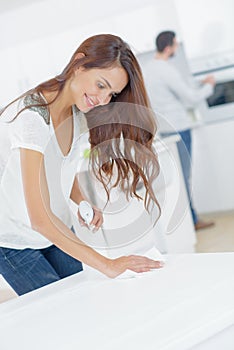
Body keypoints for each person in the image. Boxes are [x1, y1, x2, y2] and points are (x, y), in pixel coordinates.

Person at [0, 34, 163, 296]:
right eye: (101, 85)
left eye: (111, 93)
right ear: (79, 63)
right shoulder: (32, 118)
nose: (103, 99)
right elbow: (39, 220)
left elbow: (60, 164)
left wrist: (82, 200)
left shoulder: (78, 113)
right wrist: (109, 265)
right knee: (59, 311)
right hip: (14, 241)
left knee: (83, 300)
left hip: (56, 230)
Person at [142, 30, 215, 231]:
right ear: (168, 47)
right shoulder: (166, 69)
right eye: (175, 45)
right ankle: (191, 222)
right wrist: (209, 87)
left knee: (177, 176)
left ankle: (188, 222)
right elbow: (190, 98)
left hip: (164, 129)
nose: (176, 48)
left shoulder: (149, 69)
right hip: (179, 128)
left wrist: (197, 83)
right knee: (184, 176)